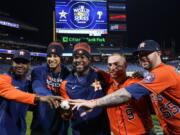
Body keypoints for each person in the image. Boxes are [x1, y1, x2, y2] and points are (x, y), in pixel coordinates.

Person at [70, 40, 180, 135]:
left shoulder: (158, 74)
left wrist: (93, 103)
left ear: (159, 53)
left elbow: (125, 94)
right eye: (140, 55)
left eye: (147, 53)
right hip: (168, 130)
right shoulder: (108, 85)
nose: (143, 58)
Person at [0, 49, 61, 135]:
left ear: (29, 65)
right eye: (17, 62)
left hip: (20, 131)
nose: (20, 65)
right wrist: (39, 97)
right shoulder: (3, 79)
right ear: (12, 63)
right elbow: (14, 94)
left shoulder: (28, 84)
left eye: (24, 62)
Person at [60, 41, 111, 135]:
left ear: (89, 59)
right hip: (79, 131)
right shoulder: (65, 84)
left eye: (82, 57)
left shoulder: (101, 75)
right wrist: (66, 114)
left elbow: (117, 86)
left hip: (102, 130)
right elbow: (67, 112)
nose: (79, 60)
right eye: (76, 57)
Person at [105, 53, 154, 135]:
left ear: (125, 65)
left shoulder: (137, 83)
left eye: (116, 64)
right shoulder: (107, 87)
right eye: (110, 65)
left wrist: (144, 76)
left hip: (142, 132)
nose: (112, 68)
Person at [30, 41, 70, 135]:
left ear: (61, 58)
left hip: (60, 126)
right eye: (49, 56)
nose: (51, 59)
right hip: (40, 124)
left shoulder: (67, 73)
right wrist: (49, 96)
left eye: (55, 56)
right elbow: (37, 86)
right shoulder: (38, 70)